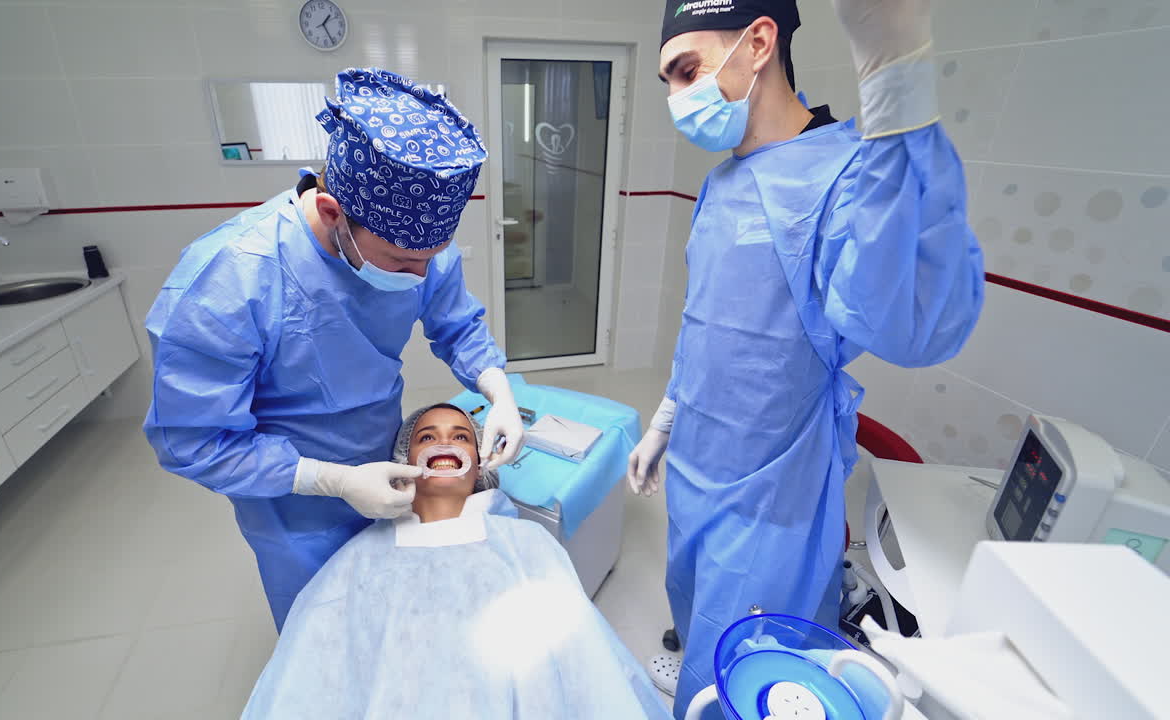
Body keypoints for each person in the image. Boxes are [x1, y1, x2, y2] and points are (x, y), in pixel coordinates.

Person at [626, 1, 985, 716]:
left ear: (759, 43)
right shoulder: (723, 180)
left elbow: (916, 326)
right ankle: (696, 656)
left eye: (686, 71)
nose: (676, 98)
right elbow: (710, 324)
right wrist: (666, 416)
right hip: (700, 466)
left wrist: (898, 77)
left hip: (771, 494)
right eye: (667, 80)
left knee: (753, 668)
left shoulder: (848, 172)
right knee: (696, 599)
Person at [144, 67, 527, 630]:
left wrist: (499, 392)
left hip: (380, 456)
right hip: (290, 503)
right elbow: (193, 441)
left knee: (390, 617)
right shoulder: (230, 281)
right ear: (331, 214)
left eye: (433, 256)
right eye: (401, 263)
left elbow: (457, 323)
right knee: (323, 628)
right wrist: (334, 481)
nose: (421, 274)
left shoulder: (416, 241)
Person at [239, 404, 673, 719]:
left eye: (461, 436)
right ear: (403, 463)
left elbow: (587, 668)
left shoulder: (526, 542)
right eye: (427, 437)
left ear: (480, 463)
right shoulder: (359, 557)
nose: (445, 443)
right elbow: (313, 676)